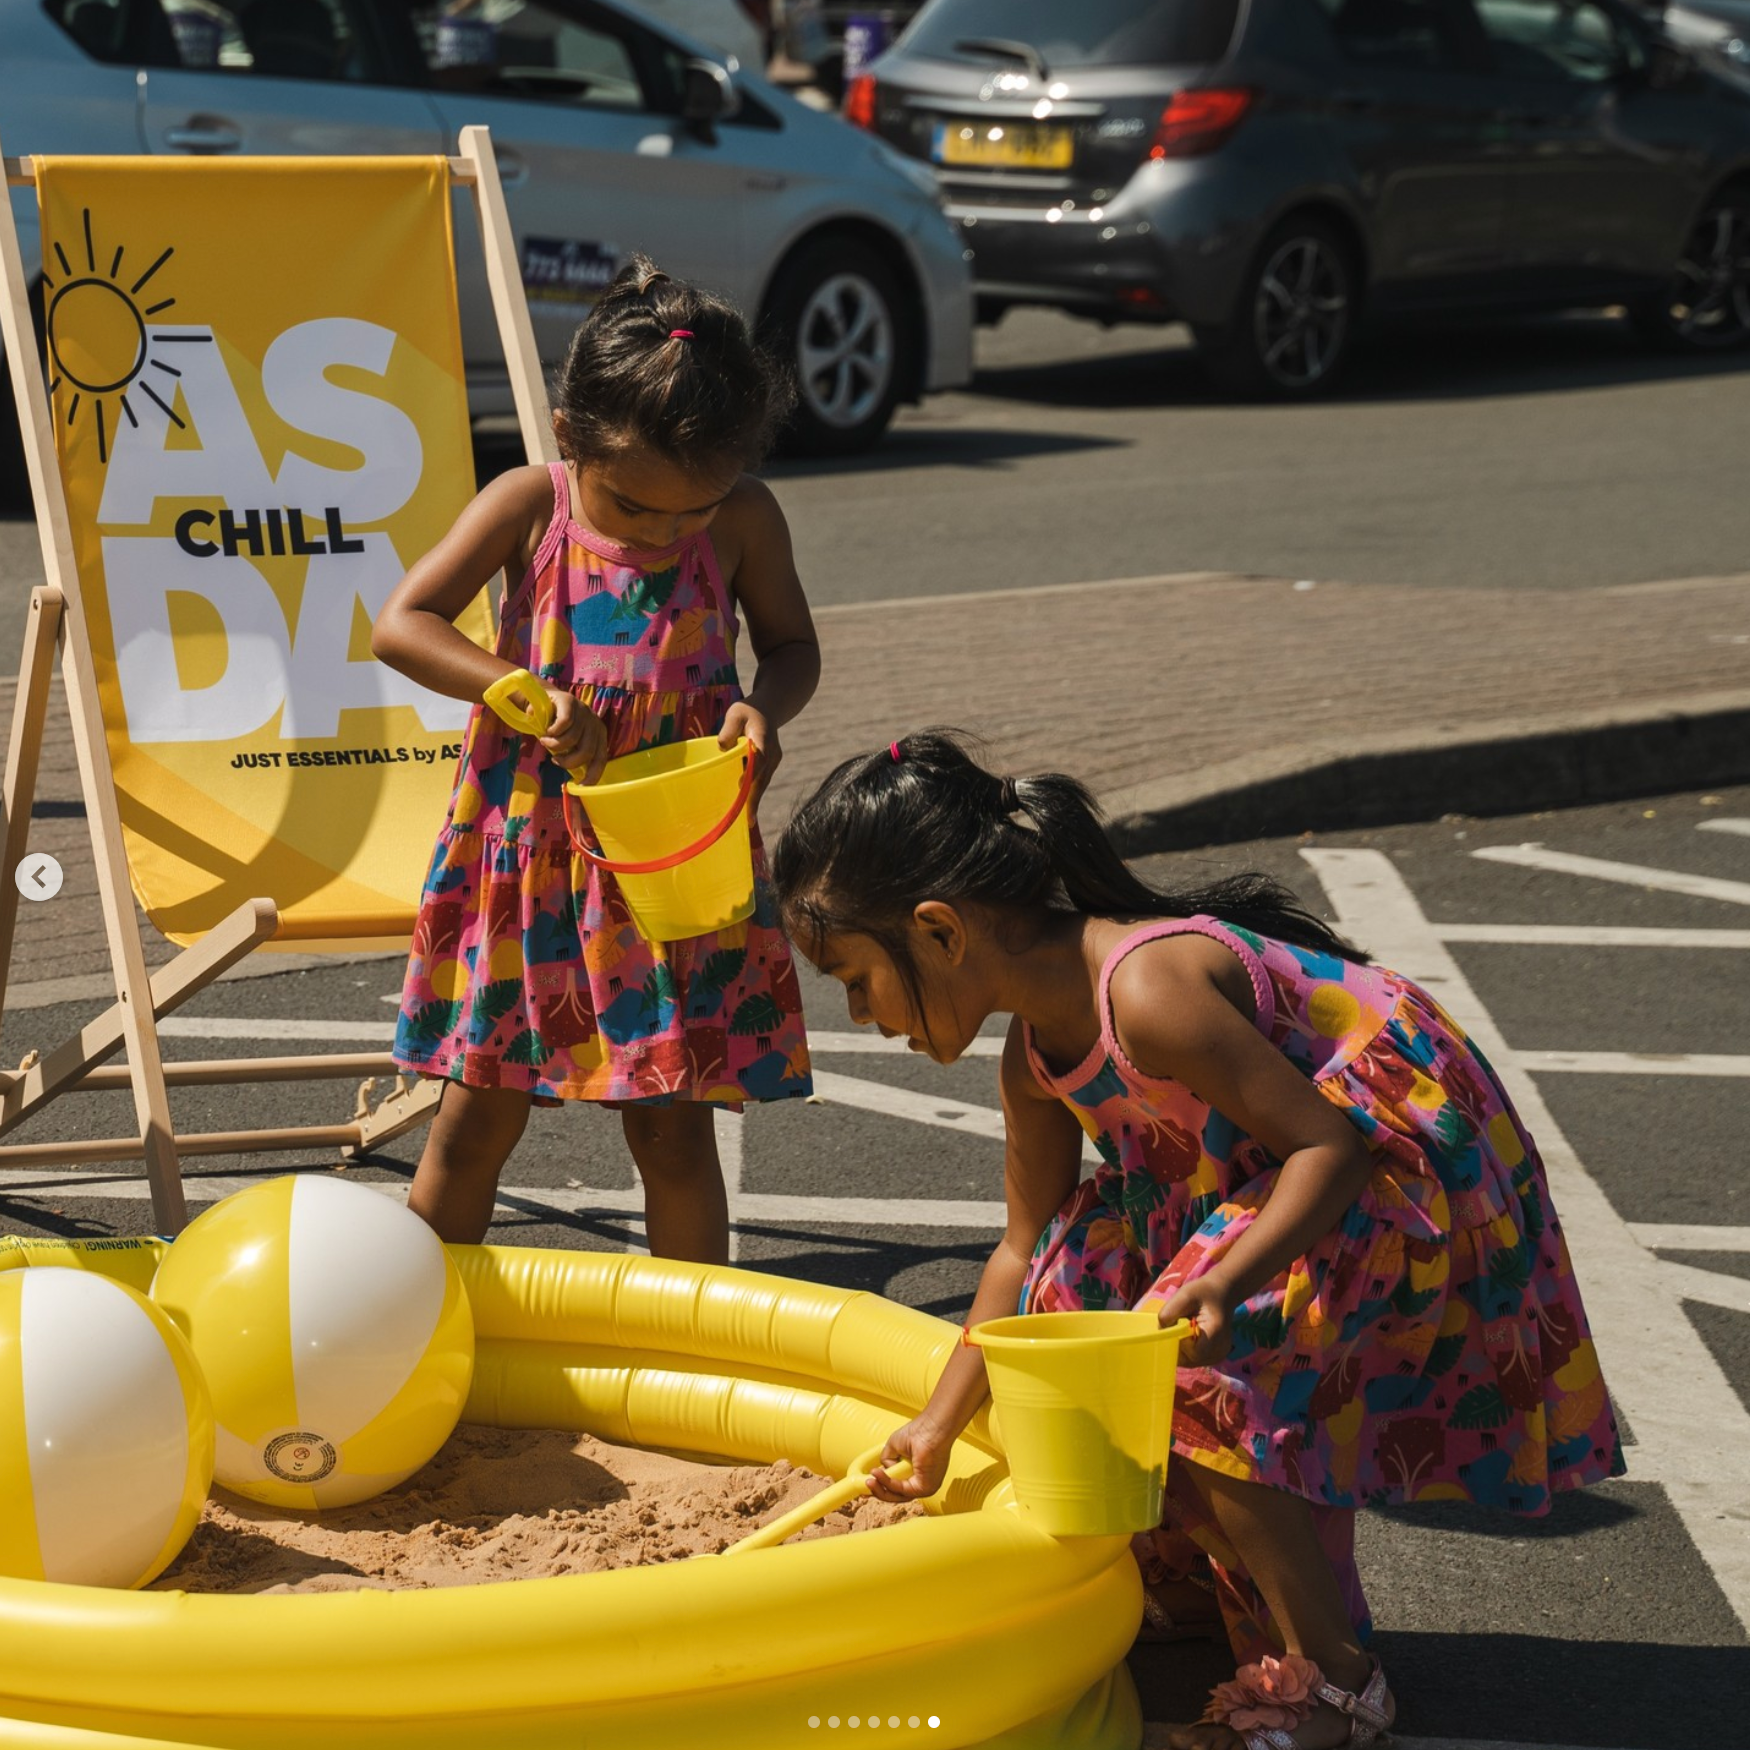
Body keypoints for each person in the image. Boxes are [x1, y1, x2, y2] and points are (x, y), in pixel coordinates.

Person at [772, 730, 1622, 1750]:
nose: (863, 1016)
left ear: (940, 929)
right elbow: (1018, 1247)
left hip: (1391, 1163)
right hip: (1261, 1176)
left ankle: (1342, 1689)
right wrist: (938, 1420)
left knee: (1189, 1377)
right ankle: (1180, 1565)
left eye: (856, 979)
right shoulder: (1030, 1055)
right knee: (1071, 1289)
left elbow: (1327, 1148)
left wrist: (1230, 1285)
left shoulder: (1148, 992)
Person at [372, 256, 818, 1262]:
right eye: (634, 507)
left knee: (672, 1124)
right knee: (477, 1113)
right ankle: (424, 1320)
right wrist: (515, 691)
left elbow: (792, 647)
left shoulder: (743, 520)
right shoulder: (530, 504)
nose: (665, 530)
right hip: (530, 856)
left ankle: (695, 1347)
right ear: (571, 441)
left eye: (689, 511)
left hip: (666, 870)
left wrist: (759, 708)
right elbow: (402, 624)